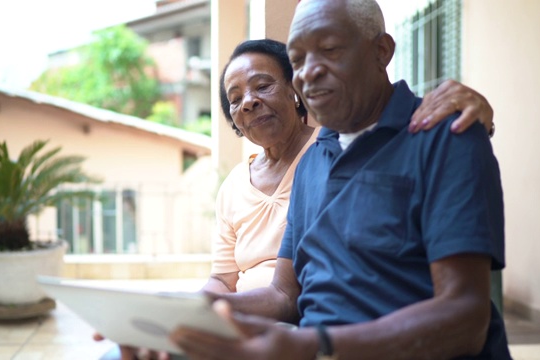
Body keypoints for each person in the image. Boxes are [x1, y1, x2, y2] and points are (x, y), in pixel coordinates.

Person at [169, 0, 510, 359]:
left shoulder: (445, 136)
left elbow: (466, 320)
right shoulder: (313, 162)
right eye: (297, 59)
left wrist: (310, 346)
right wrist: (185, 314)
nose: (309, 71)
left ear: (382, 51)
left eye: (329, 49)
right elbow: (285, 295)